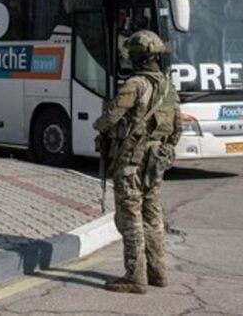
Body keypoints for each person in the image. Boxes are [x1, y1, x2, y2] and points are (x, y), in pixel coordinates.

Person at [95, 29, 182, 294]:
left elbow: (110, 117)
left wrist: (99, 126)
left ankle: (135, 277)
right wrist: (162, 150)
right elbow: (177, 128)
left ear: (135, 57)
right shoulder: (168, 88)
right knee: (152, 215)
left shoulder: (135, 85)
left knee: (130, 216)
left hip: (132, 161)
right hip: (156, 162)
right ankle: (158, 272)